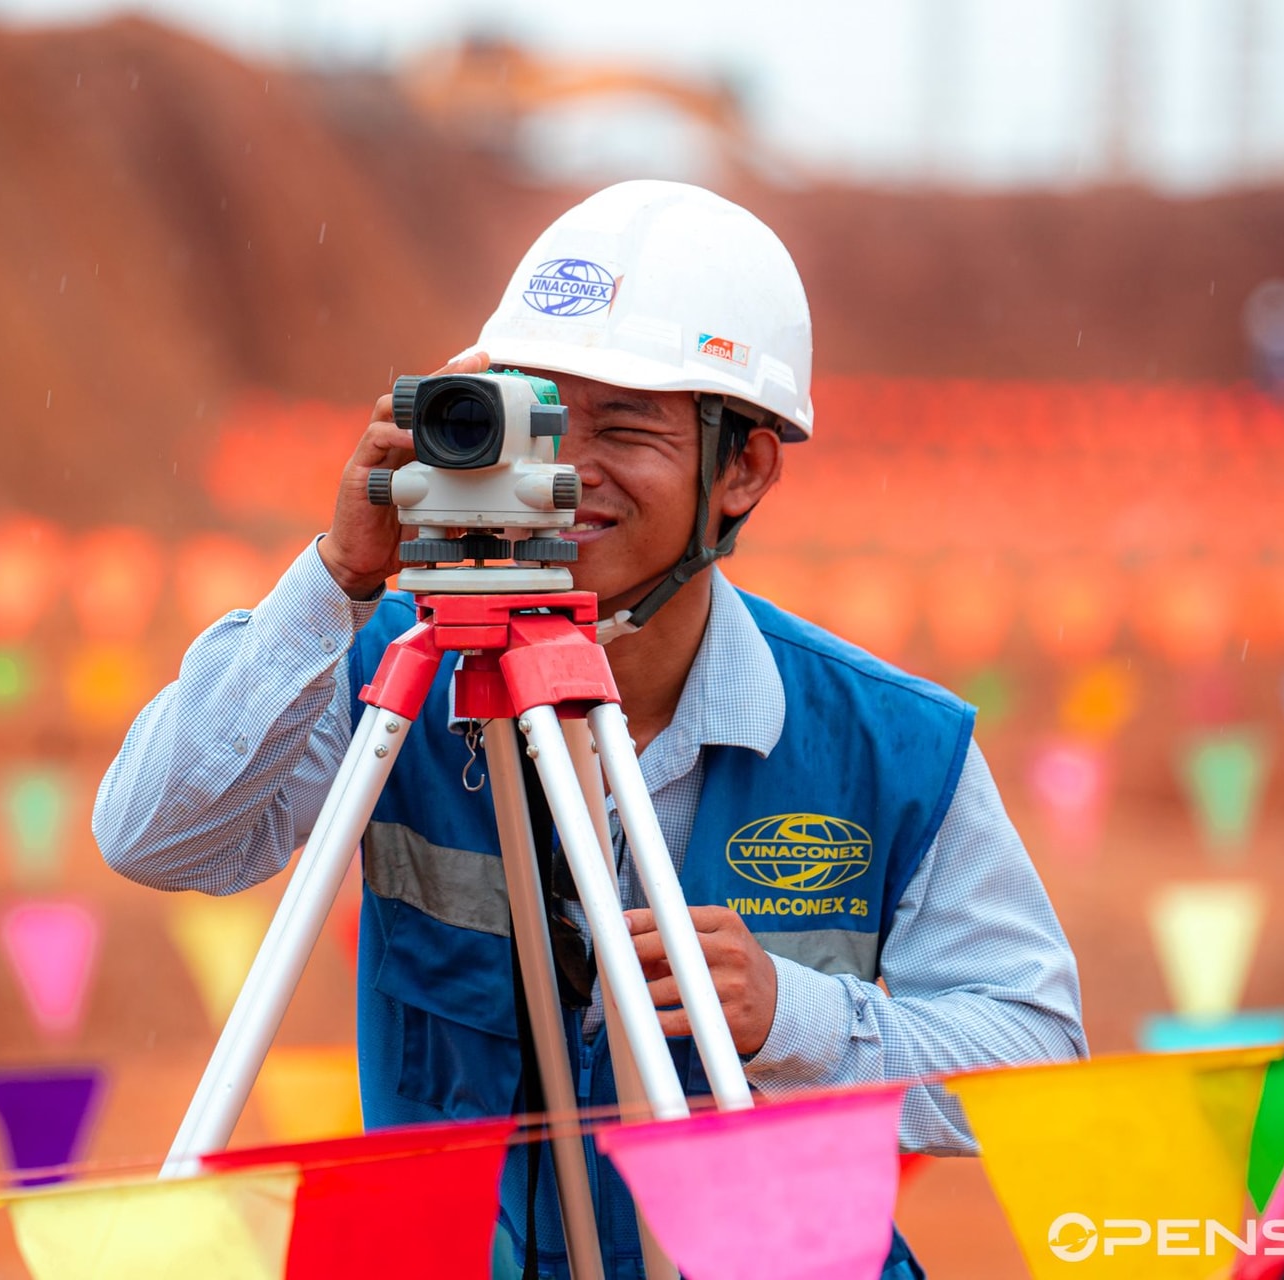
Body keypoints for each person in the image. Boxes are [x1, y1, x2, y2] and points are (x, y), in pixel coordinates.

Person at [94, 180, 1087, 1280]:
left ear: (744, 469)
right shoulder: (390, 668)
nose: (572, 475)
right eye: (542, 417)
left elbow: (1038, 1058)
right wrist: (336, 580)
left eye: (628, 428)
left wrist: (793, 1016)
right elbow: (154, 835)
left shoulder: (891, 743)